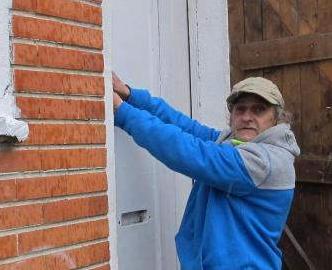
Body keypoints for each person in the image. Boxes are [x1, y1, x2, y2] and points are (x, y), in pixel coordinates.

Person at [112, 72, 300, 270]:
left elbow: (189, 151)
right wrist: (129, 95)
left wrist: (123, 112)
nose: (247, 117)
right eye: (240, 109)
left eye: (258, 110)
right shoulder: (231, 143)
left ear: (277, 119)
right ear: (231, 116)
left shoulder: (265, 162)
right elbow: (185, 127)